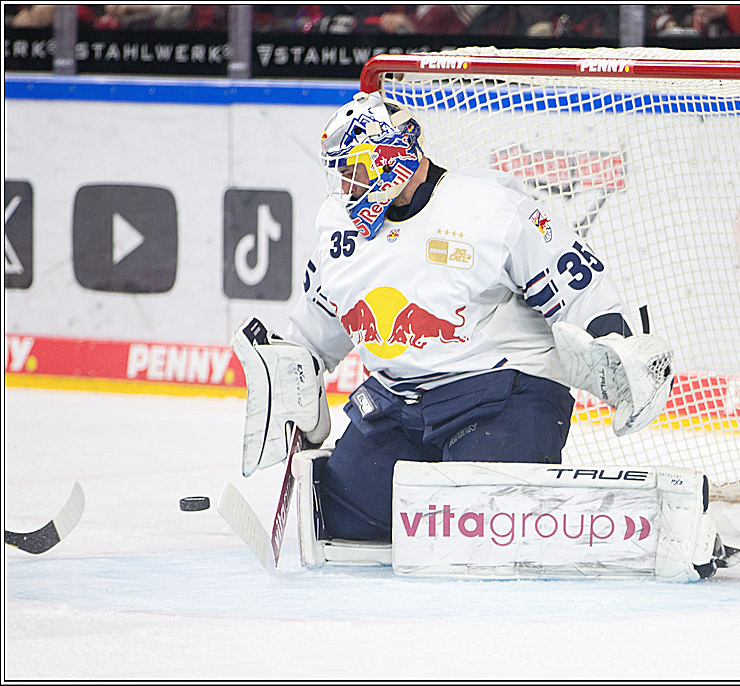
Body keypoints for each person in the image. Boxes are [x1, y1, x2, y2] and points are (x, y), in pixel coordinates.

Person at [233, 91, 677, 556]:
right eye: (341, 173)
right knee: (346, 516)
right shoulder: (337, 225)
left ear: (396, 156)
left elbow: (577, 282)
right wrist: (289, 364)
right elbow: (322, 316)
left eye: (357, 168)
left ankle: (618, 518)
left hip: (502, 394)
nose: (347, 187)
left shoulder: (488, 208)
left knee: (477, 522)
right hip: (396, 403)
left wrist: (617, 344)